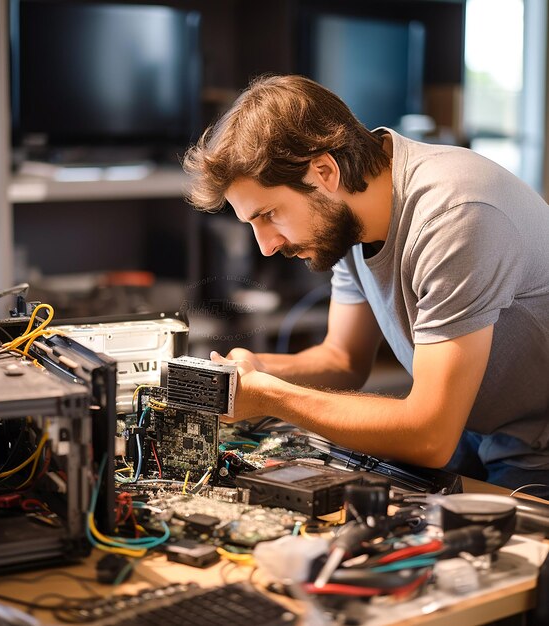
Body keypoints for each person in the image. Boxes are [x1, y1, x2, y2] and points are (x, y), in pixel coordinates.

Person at [182, 74, 549, 498]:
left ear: (324, 171)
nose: (265, 247)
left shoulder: (455, 216)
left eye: (269, 214)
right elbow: (343, 359)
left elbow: (429, 435)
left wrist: (273, 398)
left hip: (535, 440)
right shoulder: (349, 219)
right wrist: (255, 373)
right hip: (472, 426)